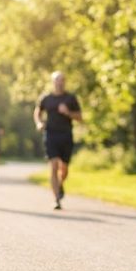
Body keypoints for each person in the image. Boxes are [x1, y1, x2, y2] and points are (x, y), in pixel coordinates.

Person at [33, 71, 83, 210]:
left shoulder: (70, 98)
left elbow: (80, 117)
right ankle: (56, 200)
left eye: (62, 80)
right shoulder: (46, 98)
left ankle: (60, 184)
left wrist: (68, 112)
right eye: (57, 80)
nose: (59, 82)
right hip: (51, 135)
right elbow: (37, 111)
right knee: (54, 165)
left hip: (66, 136)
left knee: (64, 169)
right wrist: (38, 123)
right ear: (53, 82)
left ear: (64, 82)